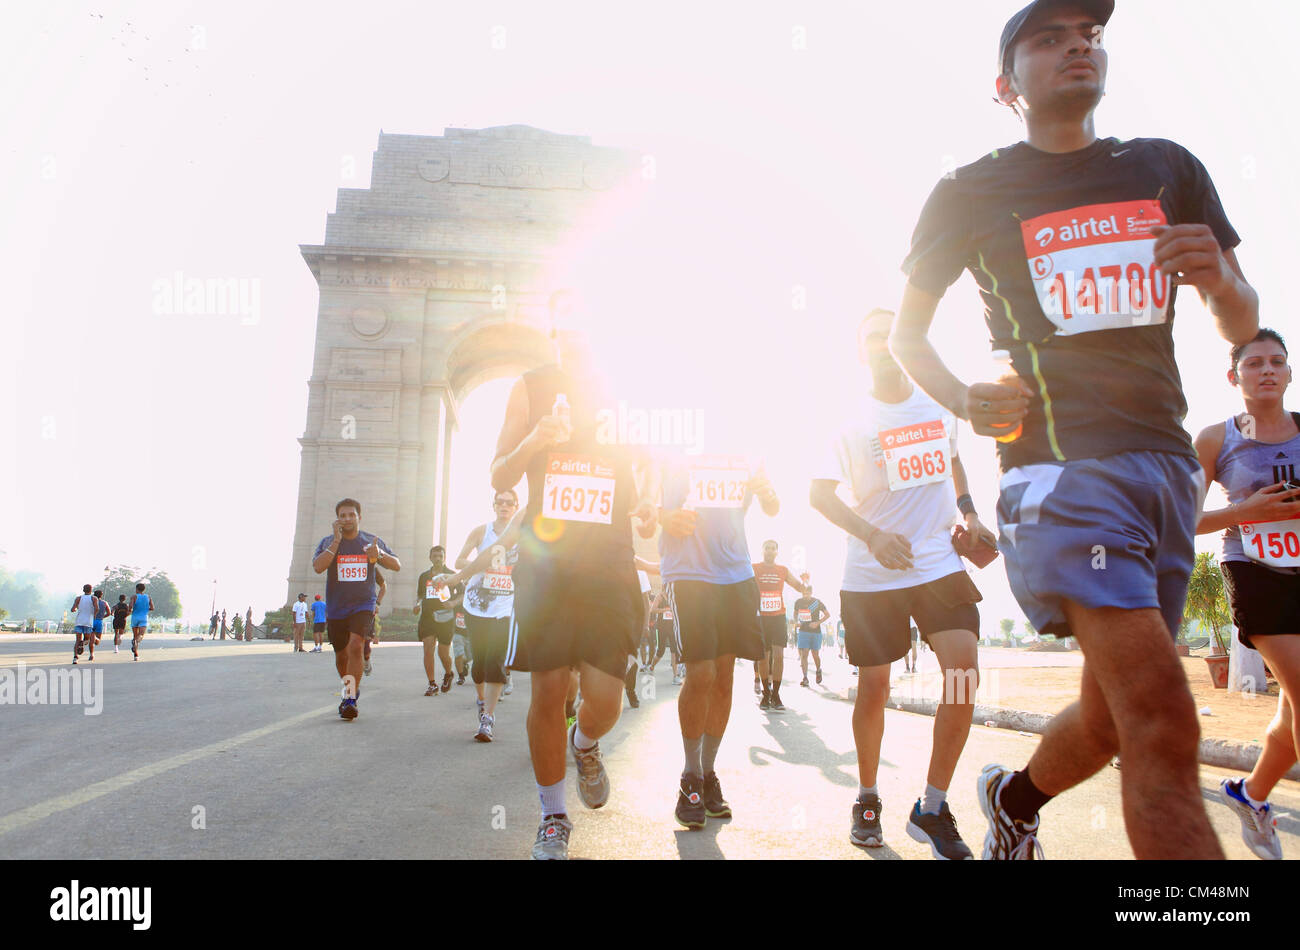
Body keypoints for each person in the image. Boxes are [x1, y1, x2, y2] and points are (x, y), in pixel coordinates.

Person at [890, 0, 1258, 859]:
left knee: (1113, 714)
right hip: (1057, 471)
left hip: (1166, 469)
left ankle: (1013, 799)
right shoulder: (969, 189)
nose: (1077, 47)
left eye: (1088, 35)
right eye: (1049, 39)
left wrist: (1219, 280)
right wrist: (961, 394)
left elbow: (1240, 324)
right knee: (1164, 714)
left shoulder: (1166, 166)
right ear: (1004, 85)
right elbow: (910, 332)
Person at [440, 300, 656, 859]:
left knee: (605, 699)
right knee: (550, 687)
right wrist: (536, 438)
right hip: (548, 560)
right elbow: (499, 472)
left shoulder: (625, 388)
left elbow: (646, 464)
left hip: (609, 562)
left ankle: (584, 743)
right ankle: (553, 815)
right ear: (555, 332)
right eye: (569, 325)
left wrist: (651, 503)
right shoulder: (530, 388)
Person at [812, 308, 992, 860]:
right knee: (875, 688)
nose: (884, 345)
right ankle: (867, 797)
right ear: (861, 350)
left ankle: (932, 807)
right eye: (873, 338)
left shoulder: (938, 406)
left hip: (938, 562)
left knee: (963, 673)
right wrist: (872, 536)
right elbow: (819, 495)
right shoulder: (848, 420)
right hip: (872, 573)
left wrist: (969, 514)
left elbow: (955, 461)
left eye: (893, 336)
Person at [1193, 327, 1299, 860]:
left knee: (1292, 707)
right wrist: (1245, 512)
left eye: (1276, 361)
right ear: (1234, 377)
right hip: (1254, 570)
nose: (1266, 370)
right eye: (1254, 363)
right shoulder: (1217, 439)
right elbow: (1179, 517)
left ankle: (1250, 795)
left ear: (1288, 371)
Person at [654, 452, 778, 830]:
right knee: (701, 672)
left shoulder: (747, 452)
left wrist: (766, 491)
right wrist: (663, 516)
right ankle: (689, 777)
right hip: (689, 572)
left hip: (736, 574)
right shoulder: (678, 446)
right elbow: (646, 505)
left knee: (724, 676)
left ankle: (707, 774)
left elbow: (772, 506)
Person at [312, 497, 400, 720]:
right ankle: (350, 688)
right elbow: (318, 567)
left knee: (356, 645)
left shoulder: (370, 541)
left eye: (351, 515)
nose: (347, 519)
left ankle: (350, 698)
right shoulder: (327, 542)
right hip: (336, 608)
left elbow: (397, 565)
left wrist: (377, 554)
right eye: (343, 516)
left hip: (363, 605)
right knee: (341, 656)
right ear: (337, 520)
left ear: (359, 517)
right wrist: (335, 542)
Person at [452, 490, 520, 740]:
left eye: (509, 502)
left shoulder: (522, 535)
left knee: (495, 659)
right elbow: (460, 560)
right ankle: (482, 702)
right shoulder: (481, 531)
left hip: (507, 604)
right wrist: (483, 563)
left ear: (516, 507)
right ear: (493, 505)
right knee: (479, 664)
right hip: (477, 603)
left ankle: (488, 718)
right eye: (499, 502)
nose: (504, 505)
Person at [752, 540, 806, 711]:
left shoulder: (782, 570)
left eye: (773, 548)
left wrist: (804, 582)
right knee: (763, 657)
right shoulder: (754, 568)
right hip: (761, 618)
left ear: (777, 552)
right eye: (766, 548)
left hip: (778, 617)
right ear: (762, 550)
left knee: (779, 655)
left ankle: (776, 694)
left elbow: (798, 586)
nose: (769, 551)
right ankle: (765, 694)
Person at [414, 545, 463, 695]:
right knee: (428, 649)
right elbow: (421, 595)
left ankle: (448, 673)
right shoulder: (424, 576)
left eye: (440, 556)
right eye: (435, 556)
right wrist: (417, 604)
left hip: (446, 618)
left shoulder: (452, 575)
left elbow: (463, 594)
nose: (437, 559)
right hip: (428, 617)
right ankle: (432, 684)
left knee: (443, 653)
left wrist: (453, 604)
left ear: (444, 558)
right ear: (430, 558)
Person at [793, 584, 832, 687]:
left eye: (807, 593)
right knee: (804, 654)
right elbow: (795, 613)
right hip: (803, 631)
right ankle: (805, 678)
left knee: (815, 655)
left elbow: (828, 614)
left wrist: (817, 623)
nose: (805, 595)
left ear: (811, 592)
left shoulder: (817, 602)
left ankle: (818, 670)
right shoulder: (798, 602)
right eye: (803, 593)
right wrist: (796, 622)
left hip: (815, 632)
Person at [70, 584, 100, 664]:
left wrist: (75, 609)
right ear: (91, 590)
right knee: (87, 639)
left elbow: (73, 609)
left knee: (77, 640)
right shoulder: (94, 598)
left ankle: (75, 657)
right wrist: (93, 615)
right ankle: (82, 643)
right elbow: (97, 608)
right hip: (88, 622)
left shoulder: (78, 598)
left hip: (79, 621)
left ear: (83, 590)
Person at [128, 582, 153, 661]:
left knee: (135, 635)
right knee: (141, 635)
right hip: (144, 617)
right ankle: (135, 643)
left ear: (136, 589)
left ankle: (136, 654)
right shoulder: (148, 597)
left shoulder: (134, 597)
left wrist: (132, 609)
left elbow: (130, 607)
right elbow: (152, 608)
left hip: (135, 617)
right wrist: (145, 609)